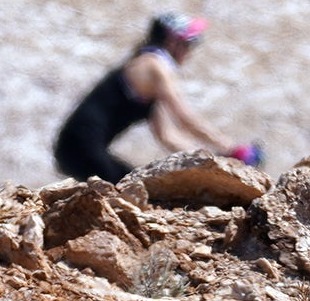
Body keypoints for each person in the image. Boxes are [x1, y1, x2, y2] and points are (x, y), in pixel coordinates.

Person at [53, 13, 259, 182]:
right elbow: (184, 117)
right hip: (80, 147)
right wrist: (230, 148)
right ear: (172, 41)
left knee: (138, 187)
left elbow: (168, 136)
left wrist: (215, 161)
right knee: (136, 191)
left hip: (76, 149)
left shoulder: (152, 73)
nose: (191, 51)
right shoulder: (155, 66)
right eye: (189, 42)